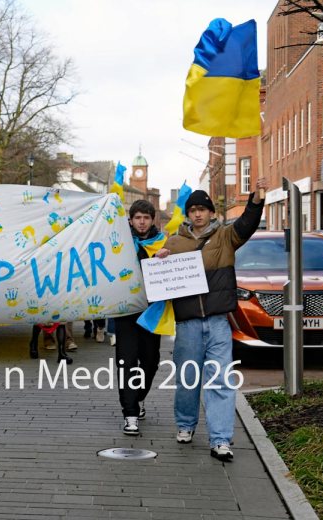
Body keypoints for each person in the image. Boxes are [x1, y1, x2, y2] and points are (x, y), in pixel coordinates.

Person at [156, 180, 266, 461]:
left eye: (202, 209)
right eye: (192, 210)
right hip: (188, 323)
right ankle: (185, 424)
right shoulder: (174, 243)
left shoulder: (226, 237)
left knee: (220, 381)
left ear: (211, 212)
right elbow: (160, 280)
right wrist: (159, 260)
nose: (197, 214)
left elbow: (248, 224)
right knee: (187, 379)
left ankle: (220, 439)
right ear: (187, 213)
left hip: (218, 322)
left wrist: (256, 200)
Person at [114, 200, 159, 436]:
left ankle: (139, 397)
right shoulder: (119, 245)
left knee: (150, 361)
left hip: (152, 313)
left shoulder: (161, 245)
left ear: (152, 220)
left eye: (146, 217)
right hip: (126, 312)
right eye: (138, 217)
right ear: (130, 220)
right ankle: (130, 413)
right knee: (126, 362)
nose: (142, 221)